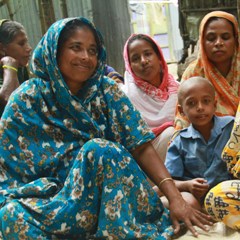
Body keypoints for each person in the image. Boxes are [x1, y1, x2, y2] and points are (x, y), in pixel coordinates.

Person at [0, 17, 212, 239]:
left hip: (109, 203)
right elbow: (8, 171)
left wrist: (176, 198)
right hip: (51, 205)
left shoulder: (107, 92)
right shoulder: (26, 100)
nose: (86, 57)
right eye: (76, 48)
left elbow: (141, 146)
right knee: (9, 216)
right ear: (54, 50)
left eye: (92, 51)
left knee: (100, 150)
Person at [163, 77, 234, 210]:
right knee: (185, 202)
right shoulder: (179, 141)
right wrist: (187, 185)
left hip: (228, 193)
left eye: (206, 101)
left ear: (215, 104)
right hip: (195, 199)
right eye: (191, 103)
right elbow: (169, 182)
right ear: (182, 110)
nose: (200, 108)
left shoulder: (231, 127)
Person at [175, 11, 240, 130]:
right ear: (202, 42)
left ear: (236, 40)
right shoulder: (193, 73)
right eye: (211, 38)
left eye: (225, 37)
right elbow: (183, 116)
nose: (219, 43)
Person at [122, 33, 179, 161]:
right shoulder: (125, 98)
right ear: (130, 66)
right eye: (135, 59)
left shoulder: (178, 90)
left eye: (147, 54)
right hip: (145, 162)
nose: (143, 61)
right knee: (170, 134)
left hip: (181, 159)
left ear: (159, 57)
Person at [204, 103, 240, 230]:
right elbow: (233, 156)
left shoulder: (227, 123)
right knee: (216, 197)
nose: (200, 108)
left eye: (205, 101)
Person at [0, 19, 32, 117]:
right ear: (2, 48)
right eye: (21, 44)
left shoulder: (21, 68)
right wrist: (9, 67)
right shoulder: (12, 68)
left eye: (27, 42)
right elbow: (13, 104)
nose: (29, 48)